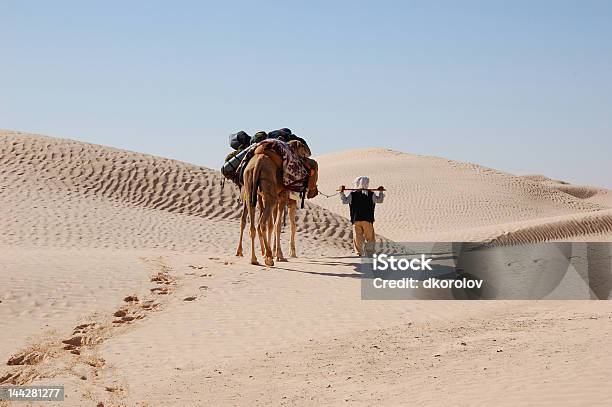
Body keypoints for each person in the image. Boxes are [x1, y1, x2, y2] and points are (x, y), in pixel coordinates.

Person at [339, 176, 384, 256]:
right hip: (367, 220)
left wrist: (341, 192)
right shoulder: (371, 194)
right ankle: (369, 253)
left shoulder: (352, 194)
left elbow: (344, 201)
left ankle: (359, 253)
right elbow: (380, 200)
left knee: (358, 237)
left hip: (356, 219)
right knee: (370, 238)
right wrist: (380, 192)